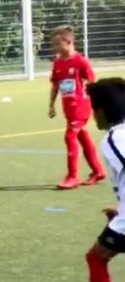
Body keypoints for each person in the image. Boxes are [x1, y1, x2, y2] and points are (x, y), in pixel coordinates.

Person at [73, 77, 125, 282]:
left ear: (103, 111)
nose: (93, 116)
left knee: (96, 257)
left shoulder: (115, 138)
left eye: (94, 109)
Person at [48, 25, 104, 190]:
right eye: (54, 44)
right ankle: (98, 171)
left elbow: (92, 83)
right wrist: (51, 105)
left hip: (80, 107)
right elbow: (56, 85)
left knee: (70, 137)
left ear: (69, 42)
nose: (55, 47)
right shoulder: (58, 62)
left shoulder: (80, 61)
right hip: (68, 108)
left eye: (58, 44)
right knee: (83, 137)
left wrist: (95, 104)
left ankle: (72, 177)